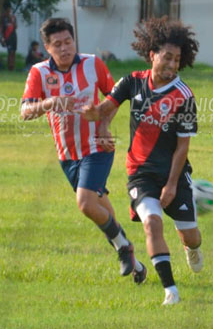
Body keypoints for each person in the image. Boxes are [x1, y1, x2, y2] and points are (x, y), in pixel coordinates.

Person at [82, 18, 202, 306]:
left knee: (192, 236)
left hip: (173, 174)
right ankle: (170, 290)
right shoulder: (131, 82)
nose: (172, 64)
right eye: (167, 57)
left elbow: (183, 146)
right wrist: (93, 113)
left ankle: (192, 248)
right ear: (152, 55)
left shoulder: (183, 96)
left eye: (177, 59)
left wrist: (172, 185)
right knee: (151, 223)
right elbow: (104, 109)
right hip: (140, 173)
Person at [20, 18, 148, 285]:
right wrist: (50, 103)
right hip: (67, 156)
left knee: (85, 203)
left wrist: (103, 125)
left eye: (68, 42)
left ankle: (124, 250)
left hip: (98, 148)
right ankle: (134, 262)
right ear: (47, 47)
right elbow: (25, 112)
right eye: (58, 44)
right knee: (100, 209)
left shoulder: (93, 64)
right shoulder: (39, 73)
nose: (65, 48)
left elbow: (113, 100)